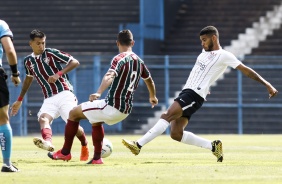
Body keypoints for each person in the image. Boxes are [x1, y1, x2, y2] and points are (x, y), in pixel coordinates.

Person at [122, 25, 278, 162]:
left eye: (204, 40)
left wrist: (267, 84)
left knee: (166, 116)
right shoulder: (204, 53)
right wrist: (207, 85)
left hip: (193, 95)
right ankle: (213, 146)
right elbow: (205, 73)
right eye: (201, 40)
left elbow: (247, 71)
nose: (202, 43)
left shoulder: (224, 55)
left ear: (214, 38)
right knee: (176, 134)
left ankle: (138, 145)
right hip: (188, 92)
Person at [47, 29, 158, 164]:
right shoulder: (139, 62)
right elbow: (149, 80)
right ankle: (97, 158)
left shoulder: (119, 58)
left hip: (112, 106)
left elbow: (109, 75)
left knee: (73, 113)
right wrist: (152, 96)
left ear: (117, 43)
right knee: (96, 120)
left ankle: (65, 152)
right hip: (126, 110)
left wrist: (99, 92)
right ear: (133, 43)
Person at [10, 29, 89, 161]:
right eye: (38, 43)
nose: (41, 46)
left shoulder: (51, 53)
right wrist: (19, 99)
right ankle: (48, 143)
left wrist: (58, 74)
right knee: (43, 119)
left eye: (43, 43)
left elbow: (75, 62)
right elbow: (28, 79)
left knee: (74, 127)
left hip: (64, 93)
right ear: (31, 43)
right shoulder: (28, 61)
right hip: (49, 98)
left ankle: (84, 144)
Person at [0, 19, 21, 172]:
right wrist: (15, 73)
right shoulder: (1, 24)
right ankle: (7, 164)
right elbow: (9, 50)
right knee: (2, 119)